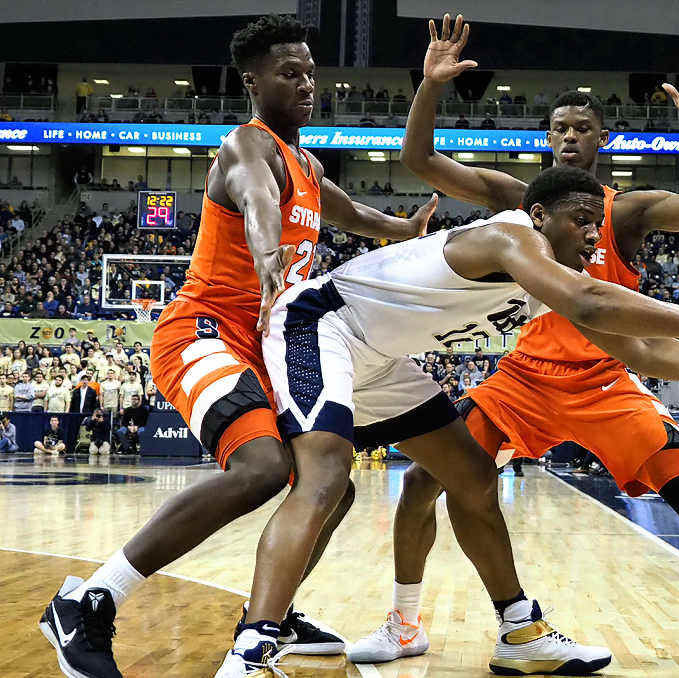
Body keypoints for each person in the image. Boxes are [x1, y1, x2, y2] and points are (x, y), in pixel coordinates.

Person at [353, 17, 679, 677]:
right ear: (547, 140)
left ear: (604, 139)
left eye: (582, 128)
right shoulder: (521, 201)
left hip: (607, 381)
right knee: (426, 480)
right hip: (525, 379)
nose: (570, 136)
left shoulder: (625, 212)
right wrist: (429, 87)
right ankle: (404, 623)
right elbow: (421, 162)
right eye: (559, 128)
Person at [265, 165, 679, 677]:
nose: (593, 235)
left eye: (597, 224)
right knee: (334, 481)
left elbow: (640, 351)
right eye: (580, 222)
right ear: (539, 215)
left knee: (475, 477)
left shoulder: (546, 282)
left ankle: (522, 630)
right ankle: (263, 636)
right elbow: (593, 300)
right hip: (326, 327)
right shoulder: (511, 237)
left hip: (407, 361)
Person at [41, 15, 436, 678]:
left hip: (261, 347)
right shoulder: (245, 148)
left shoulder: (307, 163)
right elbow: (258, 203)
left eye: (311, 72)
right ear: (252, 81)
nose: (306, 83)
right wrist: (266, 253)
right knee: (260, 469)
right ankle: (90, 601)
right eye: (290, 73)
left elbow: (361, 218)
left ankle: (272, 619)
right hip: (201, 331)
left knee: (330, 485)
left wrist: (407, 227)